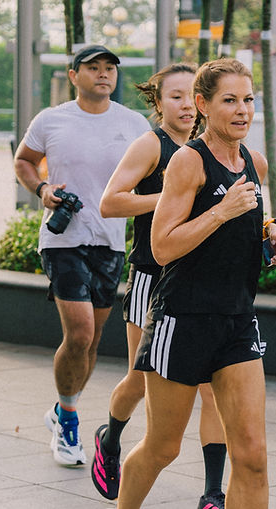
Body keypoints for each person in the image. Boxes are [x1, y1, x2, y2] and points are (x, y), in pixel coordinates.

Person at [116, 58, 276, 509]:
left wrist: (270, 236)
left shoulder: (253, 162)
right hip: (182, 320)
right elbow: (162, 247)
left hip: (237, 320)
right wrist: (220, 212)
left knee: (252, 457)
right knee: (162, 448)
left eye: (248, 100)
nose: (242, 110)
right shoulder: (187, 162)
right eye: (229, 100)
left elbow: (252, 219)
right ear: (203, 104)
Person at [95, 63, 228, 507]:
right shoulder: (151, 145)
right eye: (175, 96)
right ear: (158, 102)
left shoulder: (212, 147)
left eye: (192, 96)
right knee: (139, 381)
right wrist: (172, 195)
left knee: (211, 388)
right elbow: (110, 202)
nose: (186, 105)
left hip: (200, 282)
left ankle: (213, 493)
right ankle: (110, 440)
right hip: (152, 279)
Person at [14, 44, 150, 466]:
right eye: (93, 68)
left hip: (111, 242)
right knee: (80, 333)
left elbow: (152, 175)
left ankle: (61, 408)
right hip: (63, 239)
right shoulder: (51, 119)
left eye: (110, 68)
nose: (104, 74)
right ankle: (70, 421)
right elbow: (24, 161)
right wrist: (42, 189)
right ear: (74, 75)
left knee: (91, 341)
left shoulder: (134, 124)